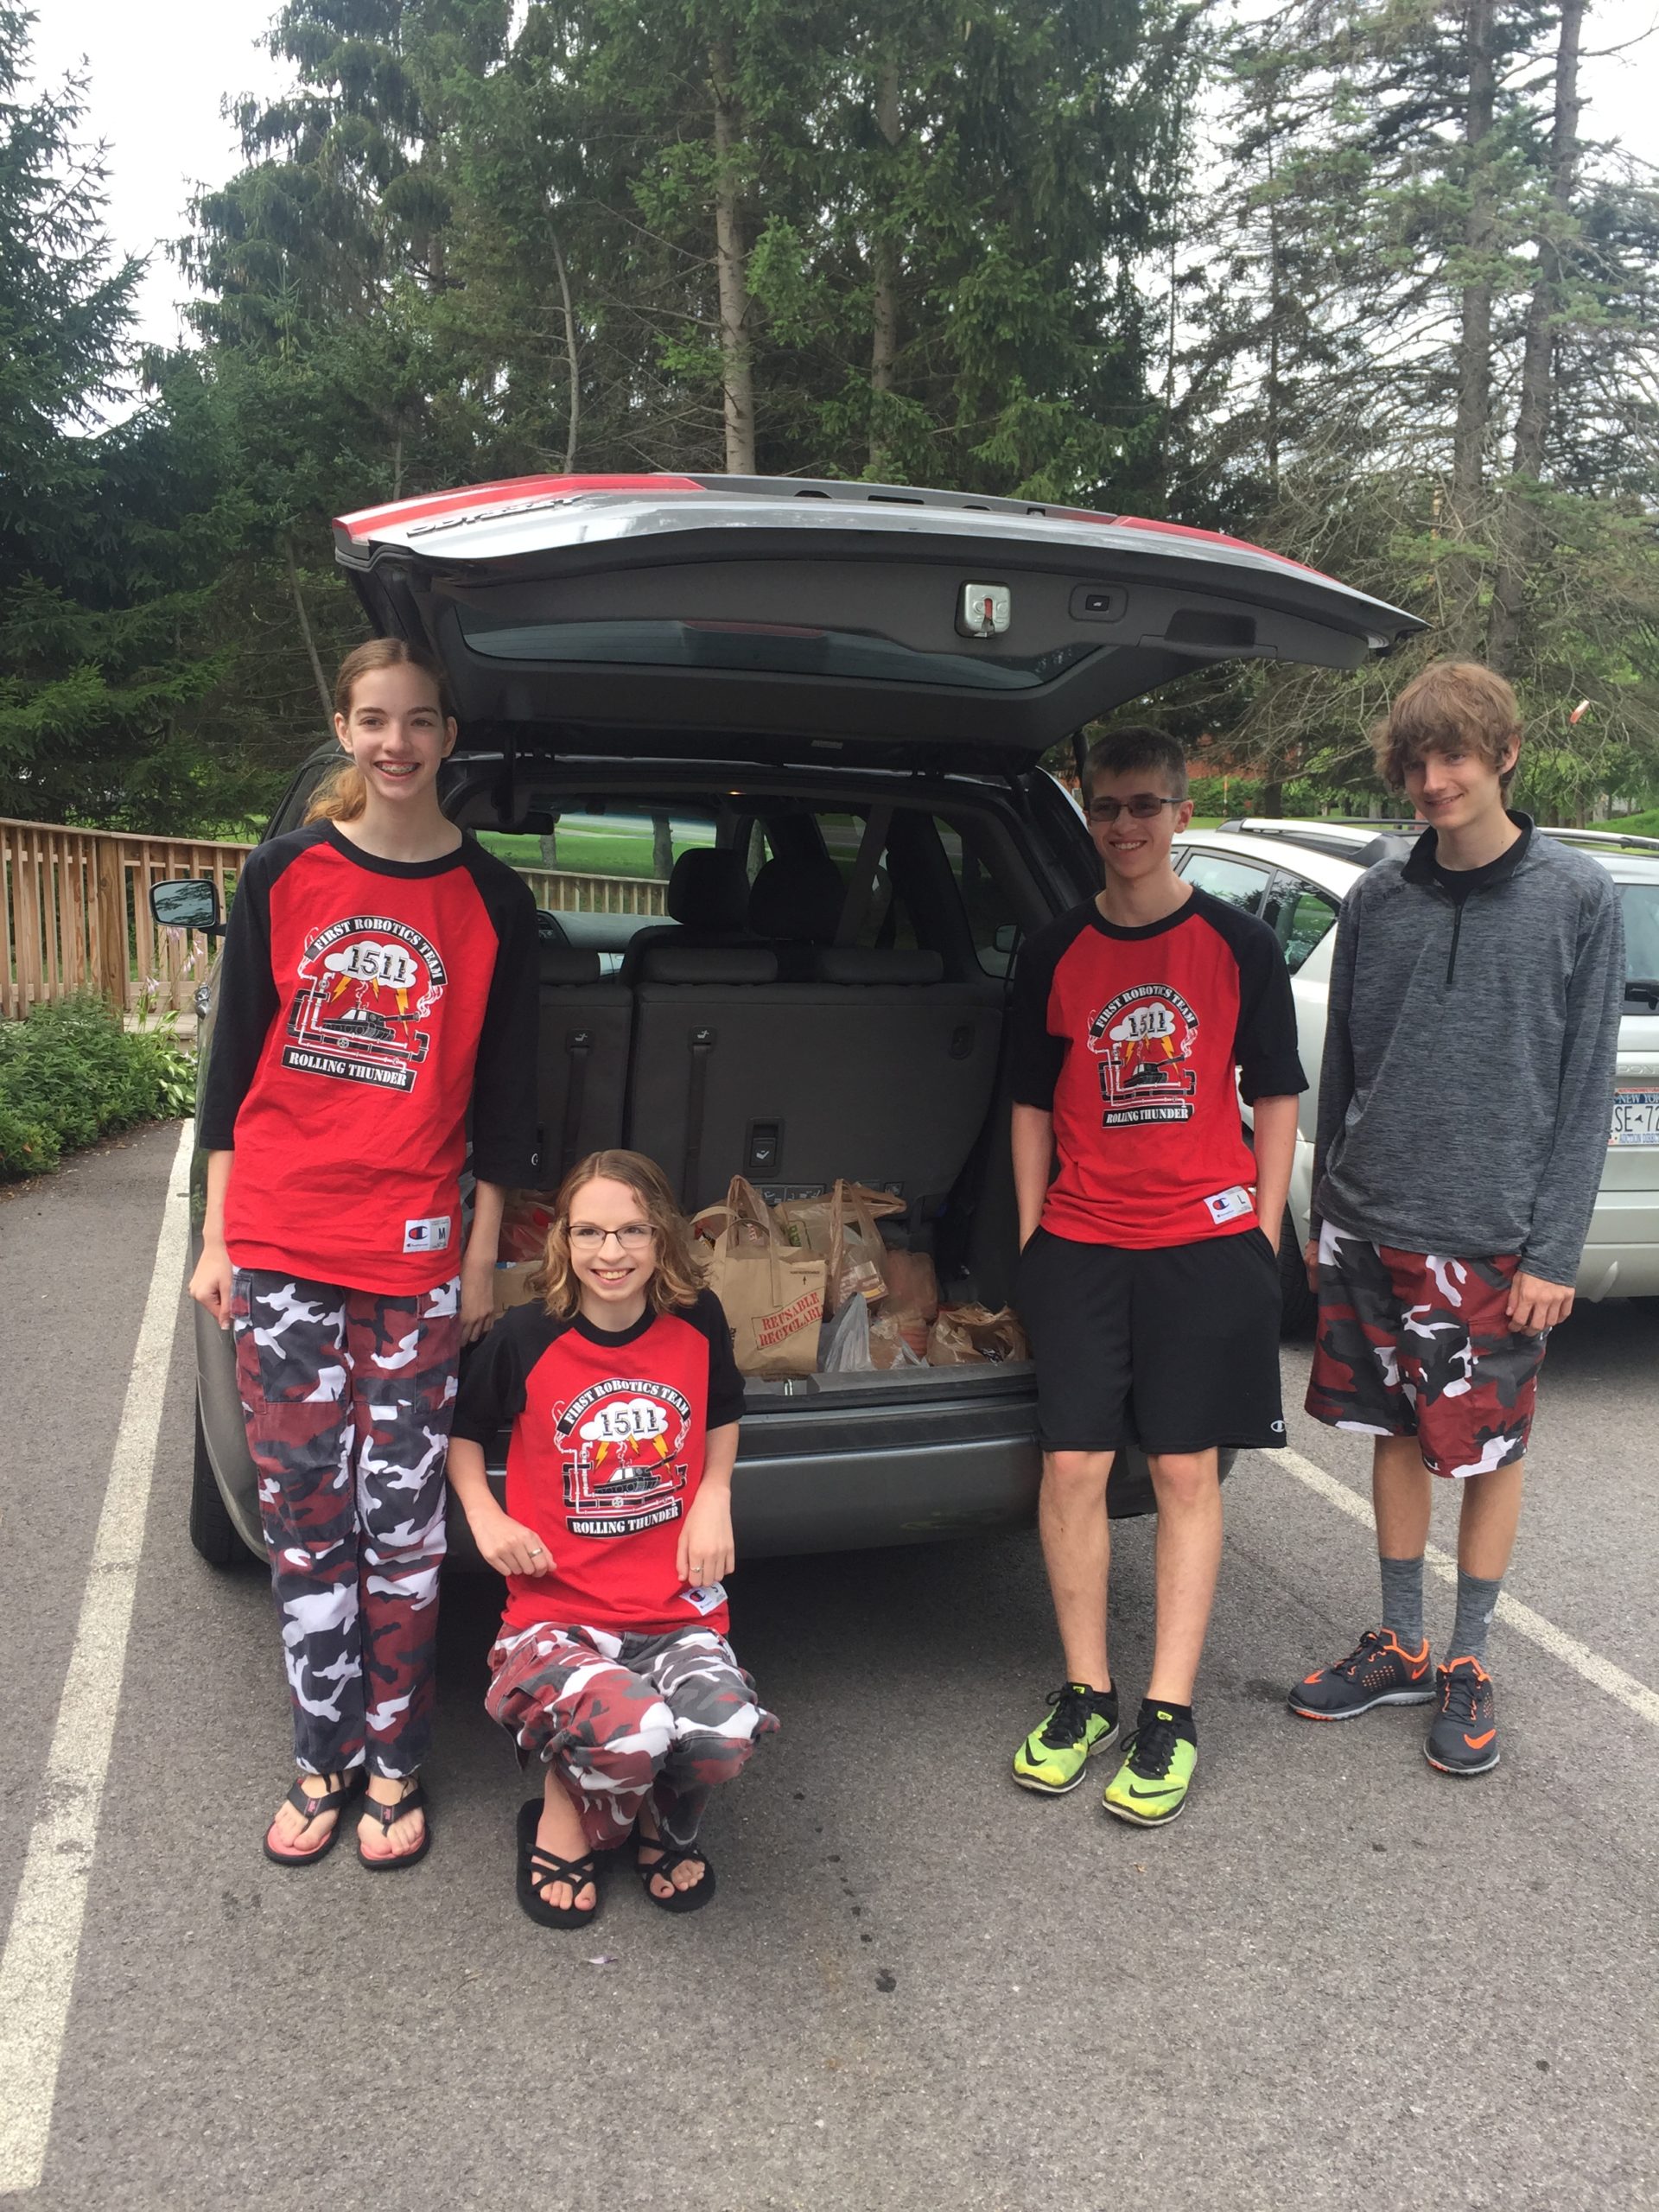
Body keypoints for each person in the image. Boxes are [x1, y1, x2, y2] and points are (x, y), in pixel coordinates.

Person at [193, 638, 540, 1869]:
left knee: (401, 1527)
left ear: (450, 736)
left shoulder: (495, 904)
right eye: (374, 720)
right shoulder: (286, 871)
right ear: (343, 730)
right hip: (283, 1241)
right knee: (304, 1520)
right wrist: (217, 1234)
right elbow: (235, 1066)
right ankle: (319, 1754)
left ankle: (395, 1762)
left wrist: (483, 1258)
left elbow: (502, 1111)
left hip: (412, 1255)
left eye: (421, 722)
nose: (397, 744)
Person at [1289, 661, 1624, 1773]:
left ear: (1505, 754)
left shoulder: (1577, 897)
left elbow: (1585, 1092)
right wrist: (1326, 1205)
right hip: (1369, 1218)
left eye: (1455, 759)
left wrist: (1554, 1249)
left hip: (1491, 1237)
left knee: (1486, 1452)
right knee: (1390, 1433)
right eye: (1417, 764)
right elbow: (1343, 1063)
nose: (1433, 782)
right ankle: (1399, 1639)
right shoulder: (1377, 900)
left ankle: (1468, 1658)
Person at [1008, 727, 1306, 1826]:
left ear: (1181, 812)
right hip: (1083, 1243)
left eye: (1143, 806)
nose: (1124, 826)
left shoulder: (1238, 945)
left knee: (1186, 1475)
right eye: (1105, 808)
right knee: (1075, 1467)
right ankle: (1087, 1692)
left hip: (1203, 1245)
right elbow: (1030, 1104)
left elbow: (1276, 1092)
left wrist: (1262, 1233)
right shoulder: (1053, 950)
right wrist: (1037, 1236)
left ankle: (1168, 1712)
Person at [447, 1149, 776, 1928]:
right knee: (629, 1733)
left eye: (631, 1232)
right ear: (562, 1239)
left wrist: (714, 1494)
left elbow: (724, 1411)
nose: (610, 1254)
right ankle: (567, 1809)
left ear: (663, 1237)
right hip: (556, 1615)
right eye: (589, 1232)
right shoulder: (525, 1336)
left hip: (674, 1612)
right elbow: (462, 1433)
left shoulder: (697, 1321)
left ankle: (661, 1812)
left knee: (725, 1734)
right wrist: (485, 1515)